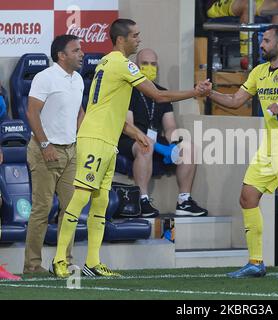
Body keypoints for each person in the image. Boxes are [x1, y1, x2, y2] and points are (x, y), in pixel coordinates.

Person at [51, 18, 210, 278]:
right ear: (121, 40)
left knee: (100, 202)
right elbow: (158, 96)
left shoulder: (105, 62)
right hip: (95, 139)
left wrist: (135, 132)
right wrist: (195, 92)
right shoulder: (121, 64)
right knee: (80, 198)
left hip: (107, 140)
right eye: (135, 35)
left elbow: (107, 107)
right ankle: (58, 260)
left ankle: (93, 262)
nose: (139, 39)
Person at [206, 25, 278, 279]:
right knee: (247, 198)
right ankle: (256, 263)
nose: (261, 44)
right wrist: (208, 93)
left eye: (266, 40)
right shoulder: (259, 72)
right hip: (268, 147)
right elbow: (235, 101)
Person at [118, 48, 208, 217]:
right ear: (135, 66)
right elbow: (128, 125)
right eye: (144, 64)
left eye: (153, 64)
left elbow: (170, 126)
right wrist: (153, 144)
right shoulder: (128, 90)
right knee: (145, 146)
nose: (149, 67)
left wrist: (173, 143)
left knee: (189, 148)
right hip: (130, 138)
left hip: (154, 140)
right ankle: (142, 200)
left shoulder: (162, 92)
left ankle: (184, 201)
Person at [23, 34, 85, 275]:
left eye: (81, 50)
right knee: (42, 209)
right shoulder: (45, 77)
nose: (82, 54)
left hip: (71, 151)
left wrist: (79, 138)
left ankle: (63, 262)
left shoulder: (78, 79)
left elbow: (79, 111)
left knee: (70, 210)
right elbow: (32, 113)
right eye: (76, 50)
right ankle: (32, 265)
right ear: (62, 55)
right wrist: (45, 144)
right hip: (44, 151)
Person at [206, 0, 278, 69]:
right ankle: (247, 56)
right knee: (249, 5)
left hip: (254, 2)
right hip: (225, 4)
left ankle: (273, 53)